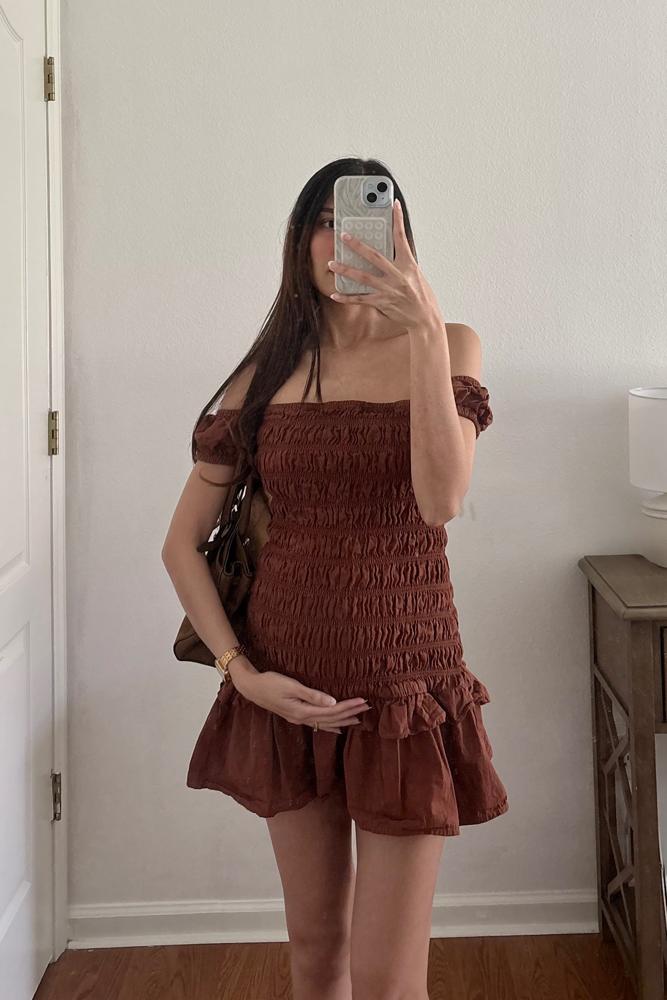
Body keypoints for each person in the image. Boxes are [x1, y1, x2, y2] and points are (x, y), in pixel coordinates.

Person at [162, 157, 509, 1000]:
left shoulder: (450, 344)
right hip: (286, 691)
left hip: (404, 692)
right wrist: (244, 675)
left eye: (357, 218)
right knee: (316, 956)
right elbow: (180, 546)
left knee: (389, 982)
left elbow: (441, 499)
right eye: (322, 220)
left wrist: (423, 333)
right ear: (298, 240)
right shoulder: (263, 374)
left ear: (399, 235)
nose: (338, 239)